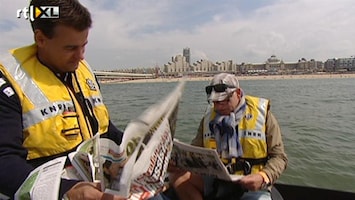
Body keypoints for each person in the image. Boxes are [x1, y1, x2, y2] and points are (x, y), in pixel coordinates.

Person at [0, 0, 162, 199]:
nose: (80, 57)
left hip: (99, 182)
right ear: (40, 39)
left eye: (84, 46)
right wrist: (66, 190)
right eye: (70, 48)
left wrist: (140, 149)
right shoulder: (8, 82)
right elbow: (4, 162)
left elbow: (105, 130)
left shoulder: (83, 72)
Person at [167, 73, 288, 200]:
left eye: (225, 101)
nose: (219, 106)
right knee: (176, 175)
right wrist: (177, 163)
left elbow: (279, 157)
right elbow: (194, 152)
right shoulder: (208, 119)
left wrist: (263, 176)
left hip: (252, 185)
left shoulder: (263, 115)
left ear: (239, 93)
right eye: (216, 102)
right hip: (216, 181)